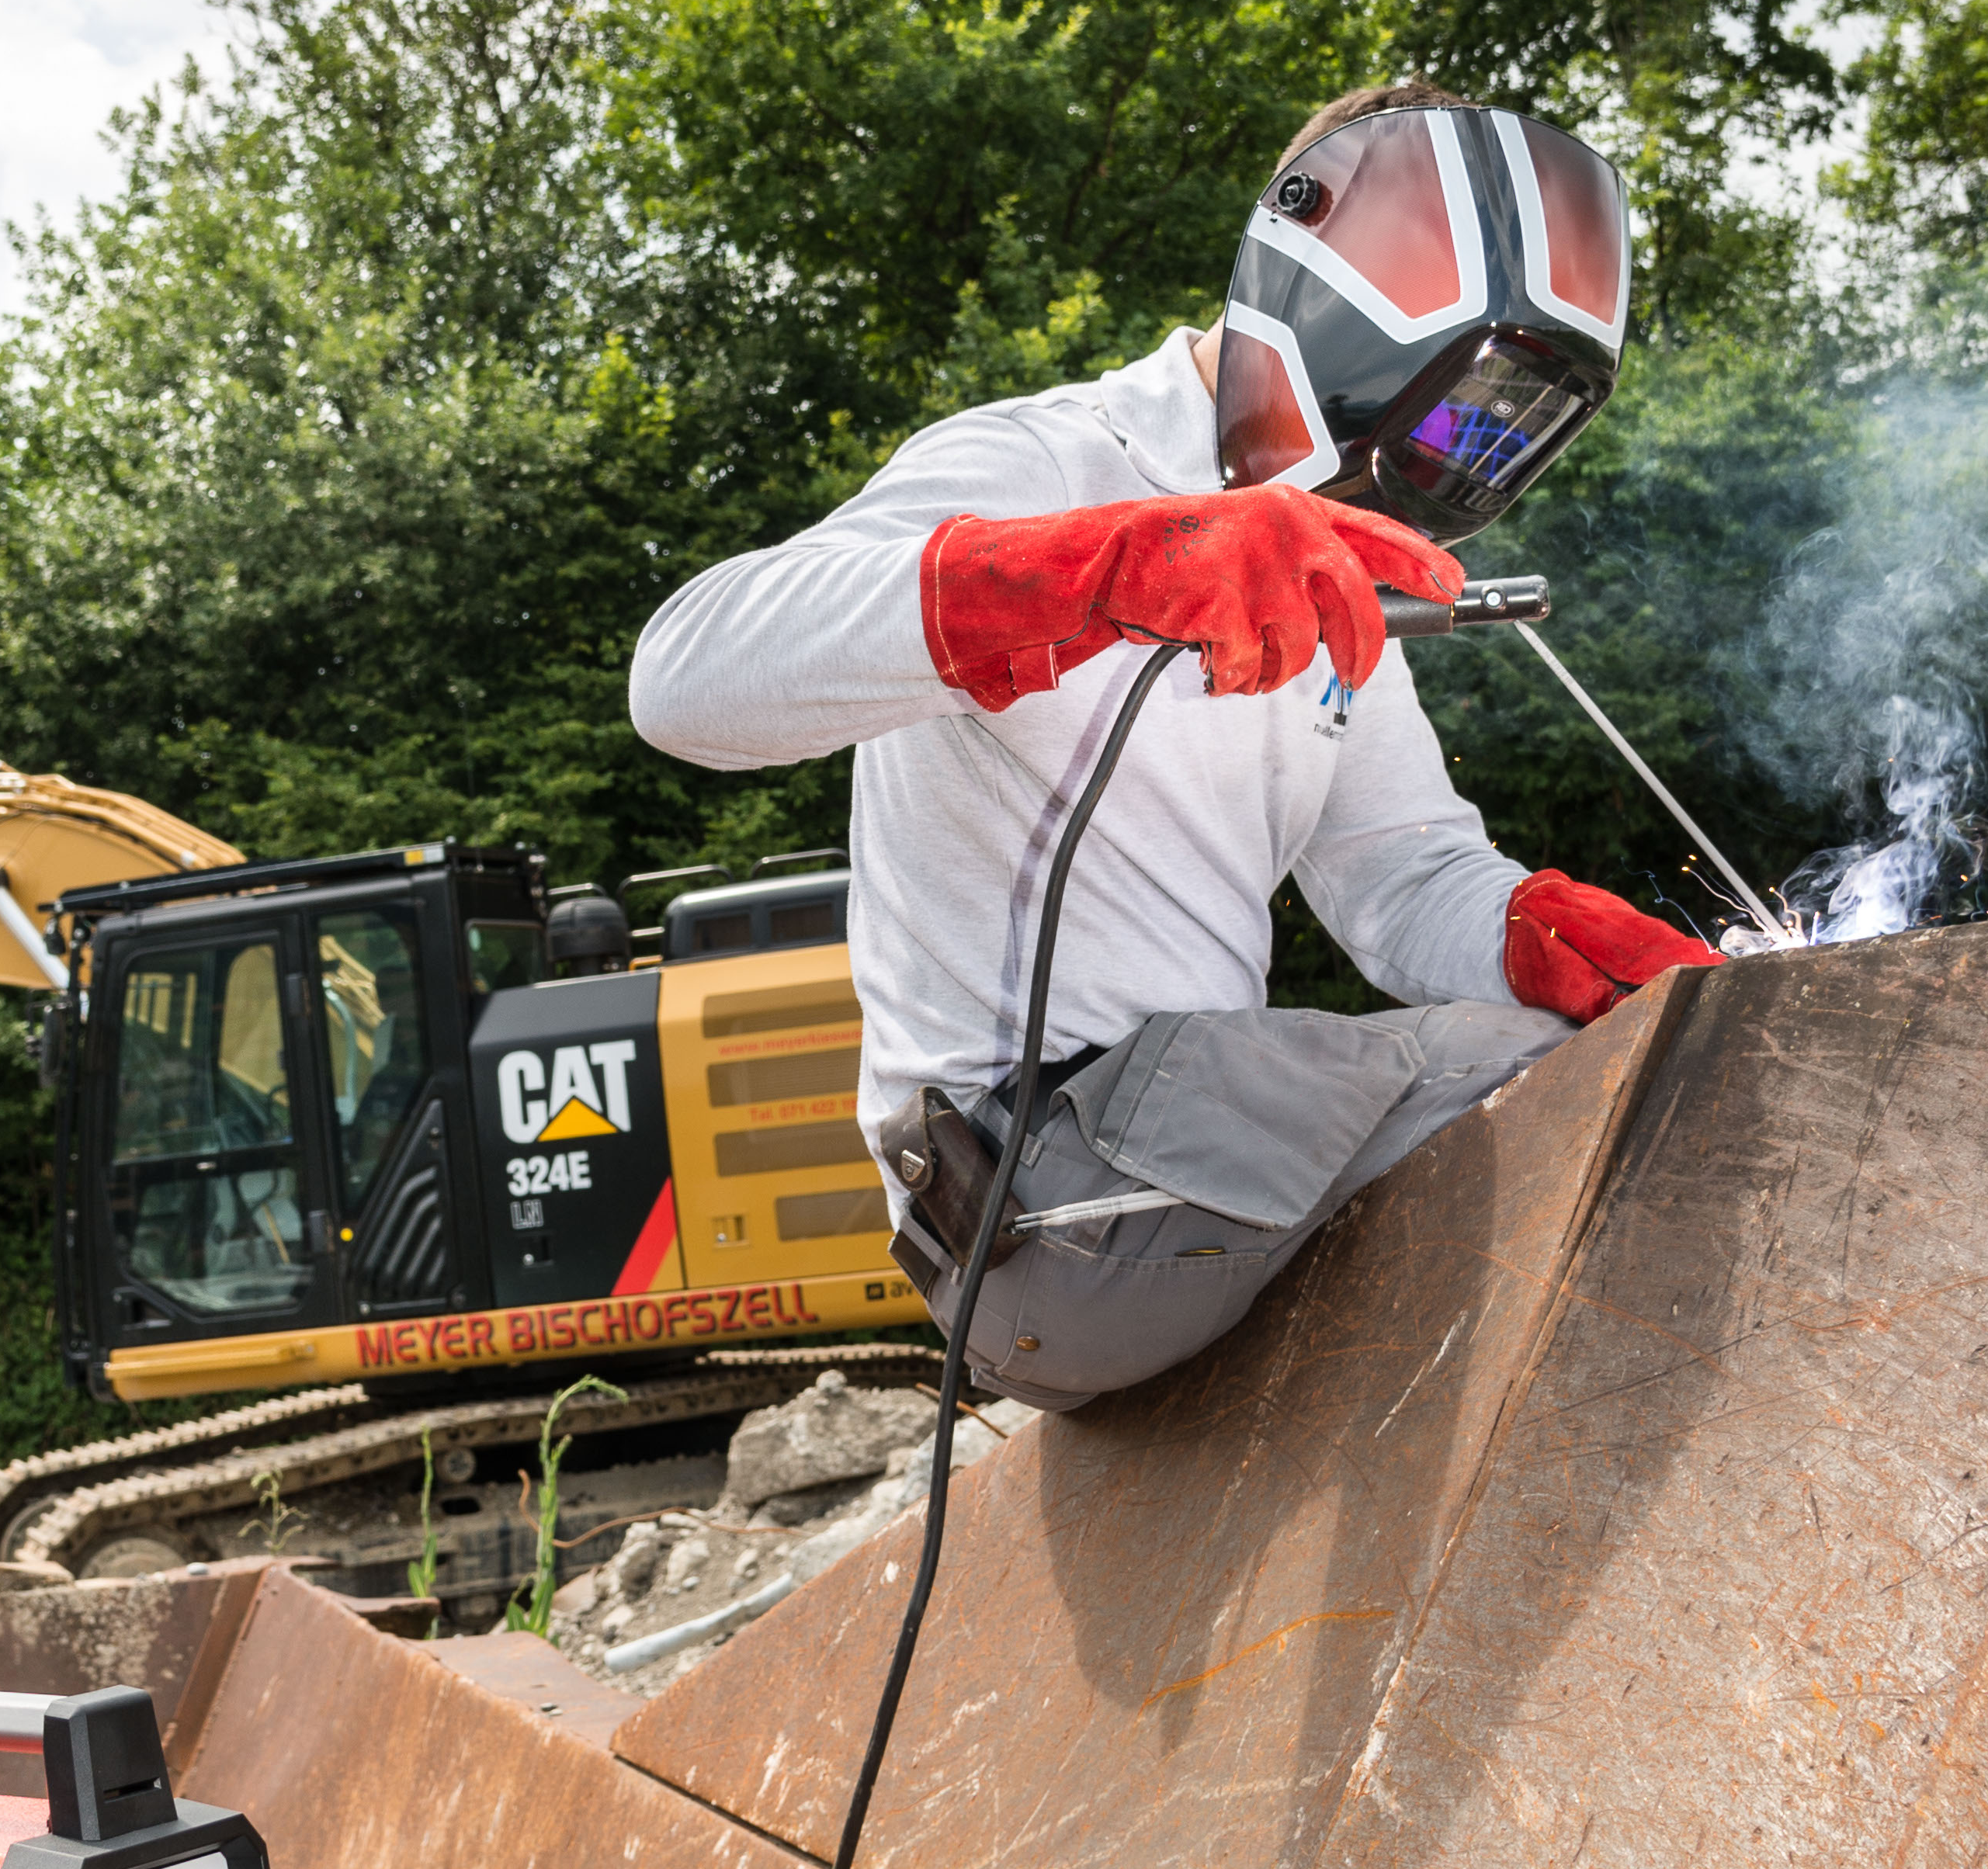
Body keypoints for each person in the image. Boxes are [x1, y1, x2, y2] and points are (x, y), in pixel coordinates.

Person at [626, 78, 1712, 1407]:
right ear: (1336, 281)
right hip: (1039, 1192)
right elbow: (682, 678)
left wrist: (1548, 934)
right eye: (1447, 406)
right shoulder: (1049, 464)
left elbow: (1403, 873)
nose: (1446, 450)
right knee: (1591, 1091)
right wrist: (1099, 571)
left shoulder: (1321, 564)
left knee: (1608, 1043)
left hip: (1197, 1163)